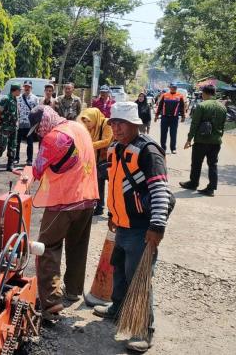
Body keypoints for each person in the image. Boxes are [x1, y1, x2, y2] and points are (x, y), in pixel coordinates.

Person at [94, 102, 172, 353]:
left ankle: (143, 330)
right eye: (113, 123)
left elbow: (160, 190)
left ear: (135, 124)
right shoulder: (116, 147)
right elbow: (116, 181)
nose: (116, 128)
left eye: (121, 123)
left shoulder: (148, 151)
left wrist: (157, 226)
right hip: (122, 224)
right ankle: (118, 307)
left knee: (139, 278)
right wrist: (113, 214)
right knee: (119, 269)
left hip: (142, 228)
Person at [28, 105, 98, 320]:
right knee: (78, 246)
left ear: (46, 121)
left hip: (63, 202)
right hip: (87, 199)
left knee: (47, 247)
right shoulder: (77, 127)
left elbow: (38, 170)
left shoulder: (53, 138)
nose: (39, 132)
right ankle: (74, 290)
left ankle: (50, 303)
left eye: (39, 128)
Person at [179, 84, 227, 197]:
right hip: (216, 142)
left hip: (201, 141)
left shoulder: (202, 106)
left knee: (196, 163)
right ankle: (211, 189)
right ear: (214, 93)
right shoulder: (222, 107)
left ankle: (193, 183)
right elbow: (222, 125)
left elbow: (194, 124)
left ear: (204, 93)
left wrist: (189, 139)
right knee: (213, 165)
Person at [79, 108, 113, 216]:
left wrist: (89, 144)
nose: (87, 124)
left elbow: (106, 141)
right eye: (84, 121)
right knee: (99, 185)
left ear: (94, 118)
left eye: (88, 121)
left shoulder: (106, 123)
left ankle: (113, 210)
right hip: (96, 161)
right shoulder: (89, 128)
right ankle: (99, 208)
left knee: (113, 186)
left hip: (109, 160)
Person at [0, 84, 20, 171]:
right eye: (19, 90)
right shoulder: (6, 99)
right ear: (15, 90)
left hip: (13, 128)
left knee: (12, 146)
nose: (20, 91)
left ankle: (10, 164)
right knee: (1, 145)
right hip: (5, 127)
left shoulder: (15, 99)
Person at [154, 82, 186, 153]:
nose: (173, 88)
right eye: (172, 87)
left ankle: (173, 148)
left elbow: (182, 107)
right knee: (163, 133)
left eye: (175, 87)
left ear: (176, 88)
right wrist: (156, 115)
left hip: (174, 118)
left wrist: (183, 116)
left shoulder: (180, 96)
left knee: (173, 134)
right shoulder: (164, 95)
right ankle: (163, 148)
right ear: (170, 88)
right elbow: (160, 106)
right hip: (164, 117)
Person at [15, 80, 39, 165]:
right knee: (17, 143)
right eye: (25, 86)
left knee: (29, 143)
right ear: (23, 87)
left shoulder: (35, 99)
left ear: (31, 88)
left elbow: (37, 112)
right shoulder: (18, 98)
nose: (27, 88)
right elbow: (16, 110)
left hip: (30, 125)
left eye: (28, 87)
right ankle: (16, 158)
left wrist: (36, 124)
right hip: (20, 124)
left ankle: (29, 160)